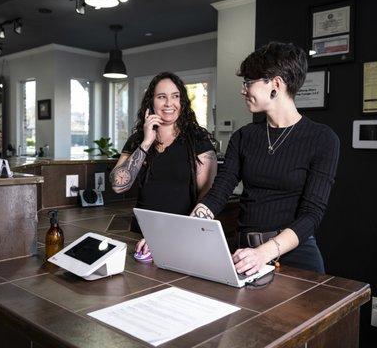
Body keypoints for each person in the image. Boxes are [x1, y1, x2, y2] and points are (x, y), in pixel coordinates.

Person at [191, 42, 340, 275]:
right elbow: (220, 191)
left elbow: (311, 214)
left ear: (276, 84)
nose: (243, 90)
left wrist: (263, 253)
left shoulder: (322, 139)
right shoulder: (244, 137)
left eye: (248, 82)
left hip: (294, 257)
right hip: (244, 252)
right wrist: (183, 231)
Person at [110, 71, 218, 256]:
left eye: (175, 96)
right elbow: (117, 186)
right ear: (151, 102)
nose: (169, 103)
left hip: (182, 235)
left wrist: (178, 234)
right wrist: (146, 142)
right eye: (162, 97)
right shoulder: (138, 140)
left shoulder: (198, 139)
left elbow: (207, 194)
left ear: (182, 101)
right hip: (141, 236)